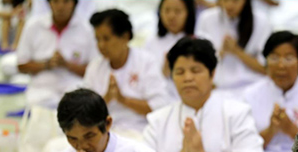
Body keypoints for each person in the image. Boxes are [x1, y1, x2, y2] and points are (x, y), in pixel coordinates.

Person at [143, 37, 264, 152]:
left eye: (195, 70)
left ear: (212, 74)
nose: (187, 78)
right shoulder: (158, 119)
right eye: (179, 72)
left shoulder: (236, 113)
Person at [84, 9, 171, 137]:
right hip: (102, 133)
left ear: (125, 37)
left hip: (138, 130)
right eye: (97, 39)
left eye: (106, 39)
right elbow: (84, 111)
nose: (101, 45)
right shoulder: (95, 66)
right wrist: (106, 99)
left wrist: (123, 100)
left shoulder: (146, 62)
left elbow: (160, 106)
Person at [16, 0, 95, 109]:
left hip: (75, 88)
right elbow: (21, 65)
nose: (60, 6)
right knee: (38, 106)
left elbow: (95, 70)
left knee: (79, 106)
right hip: (42, 89)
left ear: (74, 3)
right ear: (49, 3)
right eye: (56, 1)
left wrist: (67, 65)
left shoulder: (87, 30)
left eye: (65, 2)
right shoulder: (34, 26)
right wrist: (47, 64)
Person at [195, 0, 271, 95]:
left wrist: (236, 51)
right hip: (217, 88)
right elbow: (198, 62)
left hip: (252, 86)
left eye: (235, 1)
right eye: (225, 0)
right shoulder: (207, 18)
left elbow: (265, 69)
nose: (229, 5)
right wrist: (221, 52)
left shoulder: (261, 21)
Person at [145, 0, 195, 100]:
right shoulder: (150, 43)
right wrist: (164, 73)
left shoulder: (198, 40)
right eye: (167, 11)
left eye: (177, 11)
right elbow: (146, 81)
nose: (171, 16)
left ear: (188, 13)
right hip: (161, 100)